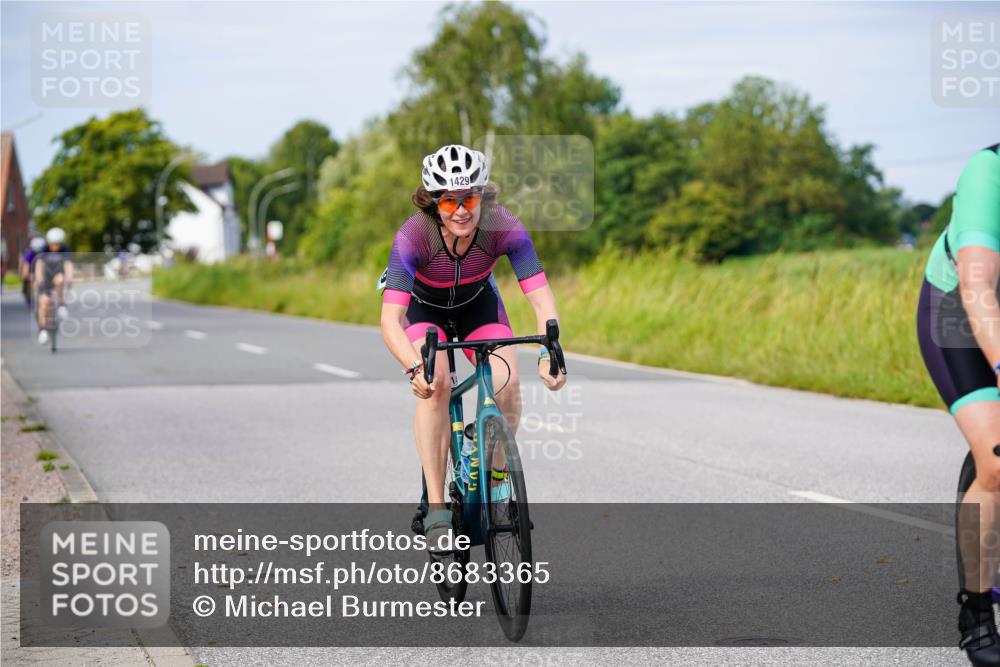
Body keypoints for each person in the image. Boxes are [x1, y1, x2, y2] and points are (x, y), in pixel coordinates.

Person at [379, 144, 566, 552]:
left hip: (477, 306)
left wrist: (549, 351)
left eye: (470, 198)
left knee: (508, 382)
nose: (461, 210)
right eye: (449, 200)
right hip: (424, 310)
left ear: (482, 195)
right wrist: (415, 368)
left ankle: (497, 487)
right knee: (437, 383)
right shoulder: (414, 236)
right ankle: (437, 508)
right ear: (433, 202)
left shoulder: (503, 226)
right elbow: (390, 320)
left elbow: (540, 296)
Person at [917, 143, 1000, 666]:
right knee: (996, 460)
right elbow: (977, 287)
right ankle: (975, 614)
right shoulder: (988, 172)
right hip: (961, 314)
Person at [35, 227, 73, 345]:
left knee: (60, 279)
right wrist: (39, 278)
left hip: (58, 275)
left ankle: (61, 305)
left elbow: (68, 265)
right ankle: (43, 330)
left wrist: (69, 278)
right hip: (45, 279)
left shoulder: (65, 249)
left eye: (57, 244)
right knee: (44, 303)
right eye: (52, 244)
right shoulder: (44, 249)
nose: (55, 247)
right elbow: (39, 265)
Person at [19, 236, 46, 305]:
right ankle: (29, 294)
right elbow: (25, 268)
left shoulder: (45, 254)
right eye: (36, 252)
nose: (37, 254)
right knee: (29, 279)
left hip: (41, 270)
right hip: (31, 270)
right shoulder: (29, 254)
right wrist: (27, 275)